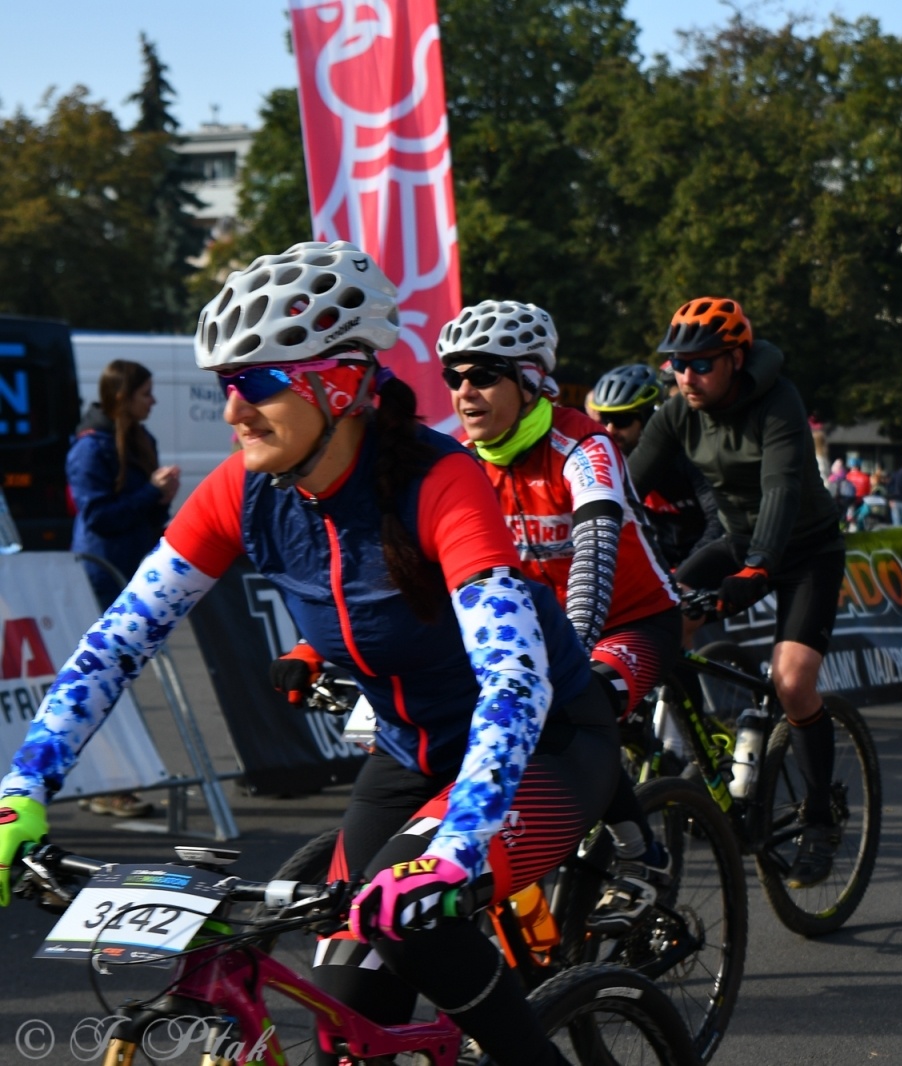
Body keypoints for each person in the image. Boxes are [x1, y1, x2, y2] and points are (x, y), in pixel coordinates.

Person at [0, 242, 615, 1066]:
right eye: (225, 385)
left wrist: (456, 846)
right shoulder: (244, 491)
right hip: (410, 752)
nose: (231, 412)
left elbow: (514, 676)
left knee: (415, 933)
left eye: (254, 384)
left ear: (339, 384)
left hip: (544, 746)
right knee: (346, 1032)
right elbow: (117, 642)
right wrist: (22, 787)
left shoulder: (441, 481)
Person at [434, 301, 682, 935]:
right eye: (453, 376)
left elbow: (597, 544)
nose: (465, 390)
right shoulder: (457, 461)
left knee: (585, 697)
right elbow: (409, 565)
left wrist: (568, 653)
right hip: (532, 635)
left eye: (483, 374)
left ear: (530, 381)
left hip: (632, 621)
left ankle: (640, 851)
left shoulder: (585, 444)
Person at [627, 296, 848, 888]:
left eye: (701, 364)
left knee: (793, 680)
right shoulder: (678, 411)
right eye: (677, 364)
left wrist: (757, 570)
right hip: (734, 540)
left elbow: (779, 490)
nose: (686, 376)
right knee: (661, 619)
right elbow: (621, 488)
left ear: (736, 358)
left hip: (804, 553)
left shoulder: (778, 401)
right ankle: (699, 760)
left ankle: (820, 819)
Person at [65, 359, 181, 818]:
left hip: (134, 573)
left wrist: (160, 503)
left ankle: (114, 782)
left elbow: (141, 517)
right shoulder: (90, 448)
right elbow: (96, 517)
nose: (153, 400)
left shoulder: (140, 439)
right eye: (145, 392)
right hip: (101, 576)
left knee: (122, 683)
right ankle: (107, 785)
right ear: (122, 396)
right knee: (102, 682)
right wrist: (152, 494)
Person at [590, 363, 724, 570]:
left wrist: (688, 572)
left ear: (646, 418)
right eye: (605, 420)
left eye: (622, 420)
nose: (610, 430)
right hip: (656, 568)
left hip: (702, 563)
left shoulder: (686, 456)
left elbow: (718, 520)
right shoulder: (604, 463)